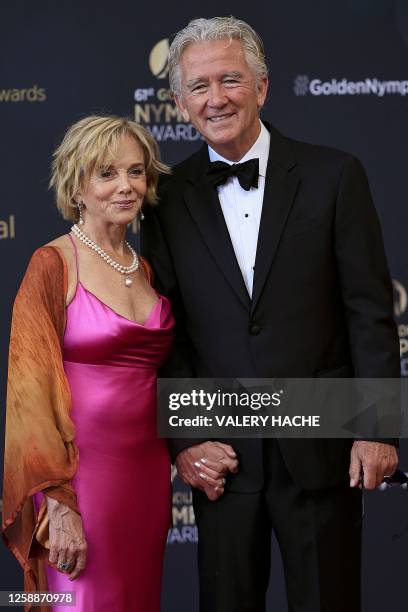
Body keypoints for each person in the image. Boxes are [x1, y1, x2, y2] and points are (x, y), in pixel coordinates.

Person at [140, 16, 401, 612]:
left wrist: (378, 428)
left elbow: (369, 312)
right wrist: (185, 437)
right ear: (180, 103)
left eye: (230, 79)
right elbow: (167, 334)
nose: (216, 98)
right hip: (224, 457)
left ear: (261, 86)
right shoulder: (165, 199)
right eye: (199, 86)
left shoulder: (335, 175)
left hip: (323, 445)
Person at [2, 115, 193, 612]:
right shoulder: (52, 264)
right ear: (76, 185)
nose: (126, 186)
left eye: (135, 172)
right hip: (81, 482)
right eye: (106, 173)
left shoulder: (145, 266)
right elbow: (30, 397)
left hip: (148, 478)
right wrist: (59, 504)